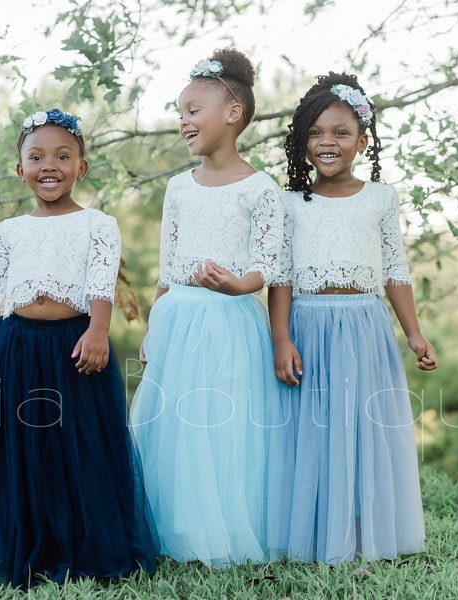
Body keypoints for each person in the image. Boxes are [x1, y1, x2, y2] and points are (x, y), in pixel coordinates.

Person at [0, 108, 158, 589]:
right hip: (13, 348)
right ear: (20, 169)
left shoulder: (99, 224)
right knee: (21, 452)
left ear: (81, 168)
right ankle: (28, 545)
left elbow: (101, 282)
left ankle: (86, 547)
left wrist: (99, 331)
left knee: (79, 450)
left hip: (74, 349)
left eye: (63, 156)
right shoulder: (9, 230)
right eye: (37, 156)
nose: (50, 165)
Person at [267, 73, 438, 564]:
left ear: (362, 141)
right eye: (316, 132)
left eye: (340, 132)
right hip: (307, 326)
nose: (327, 142)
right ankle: (315, 534)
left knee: (363, 430)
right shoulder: (288, 203)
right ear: (302, 141)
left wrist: (414, 334)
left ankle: (363, 535)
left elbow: (396, 271)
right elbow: (280, 276)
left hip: (365, 326)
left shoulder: (381, 199)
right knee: (313, 432)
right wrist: (281, 337)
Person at [129, 49, 285, 567]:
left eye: (194, 110)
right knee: (171, 424)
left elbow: (271, 264)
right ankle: (170, 532)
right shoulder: (177, 187)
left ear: (233, 112)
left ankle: (220, 531)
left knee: (221, 426)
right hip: (178, 319)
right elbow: (167, 266)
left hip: (230, 321)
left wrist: (241, 285)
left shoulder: (262, 189)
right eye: (181, 112)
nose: (184, 121)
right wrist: (155, 322)